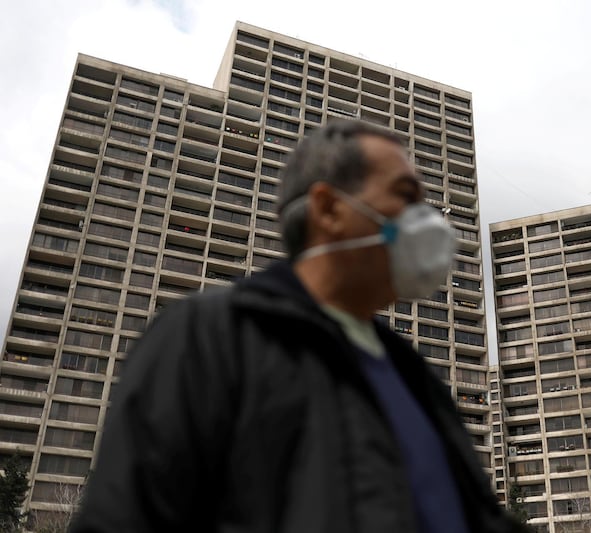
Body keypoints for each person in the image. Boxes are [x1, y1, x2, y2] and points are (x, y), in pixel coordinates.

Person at [71, 120, 525, 533]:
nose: (430, 222)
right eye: (406, 196)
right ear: (328, 208)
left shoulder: (415, 376)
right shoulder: (209, 336)